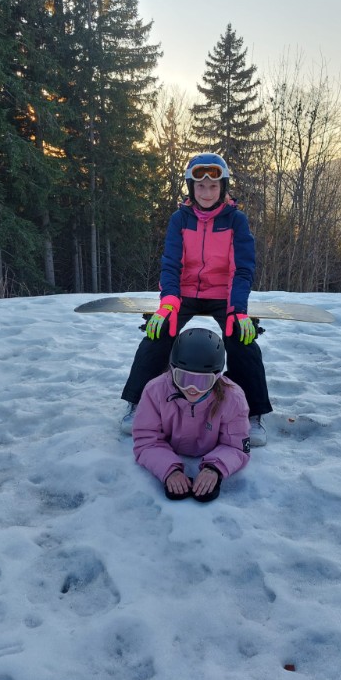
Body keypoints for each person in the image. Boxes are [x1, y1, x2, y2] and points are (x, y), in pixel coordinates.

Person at [120, 152, 272, 446]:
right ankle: (137, 403)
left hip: (223, 295)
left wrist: (238, 311)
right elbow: (171, 264)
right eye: (200, 186)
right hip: (185, 292)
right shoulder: (180, 219)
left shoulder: (236, 221)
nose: (206, 193)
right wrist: (167, 306)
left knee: (241, 340)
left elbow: (242, 269)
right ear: (191, 188)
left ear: (223, 188)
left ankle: (252, 413)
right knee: (158, 332)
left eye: (213, 187)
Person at [132, 327, 250, 501]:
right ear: (172, 370)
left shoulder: (233, 399)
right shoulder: (155, 391)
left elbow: (236, 446)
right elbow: (146, 440)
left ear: (217, 376)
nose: (192, 389)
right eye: (184, 378)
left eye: (203, 381)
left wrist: (214, 468)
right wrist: (168, 469)